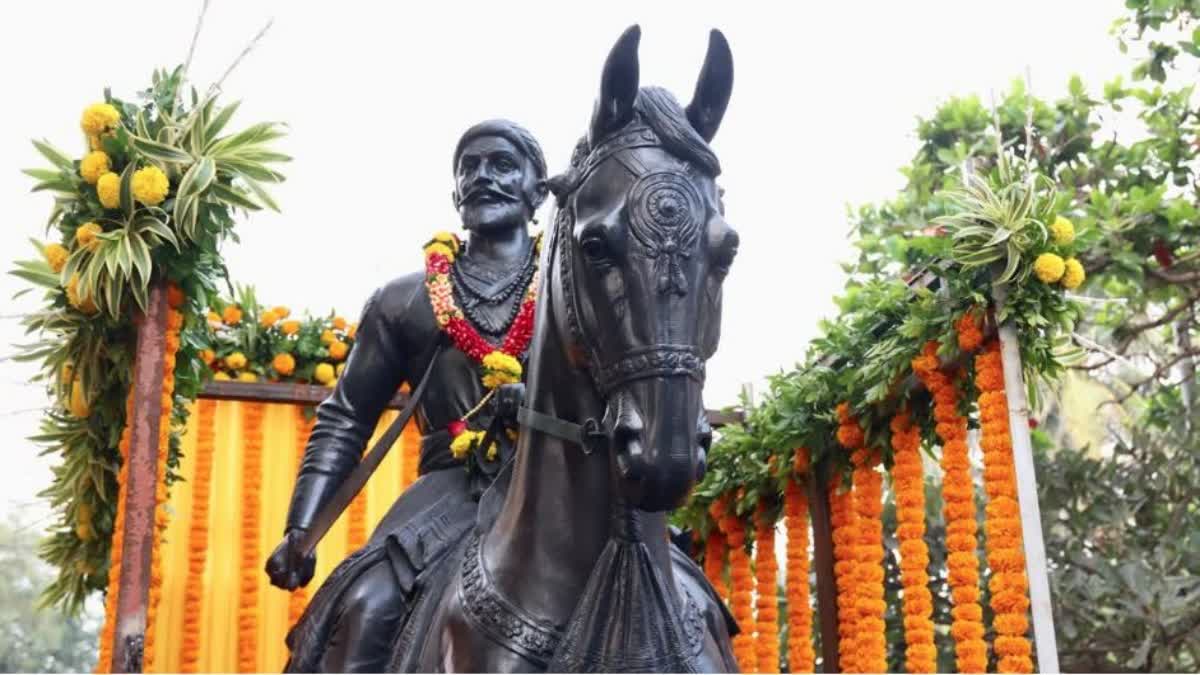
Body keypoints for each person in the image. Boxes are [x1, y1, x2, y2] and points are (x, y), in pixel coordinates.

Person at [264, 119, 548, 672]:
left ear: (539, 191)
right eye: (470, 167)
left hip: (557, 490)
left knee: (679, 604)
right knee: (367, 605)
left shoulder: (575, 288)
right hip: (448, 496)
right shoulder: (406, 300)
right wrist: (301, 528)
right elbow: (346, 417)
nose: (483, 176)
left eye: (503, 165)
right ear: (455, 194)